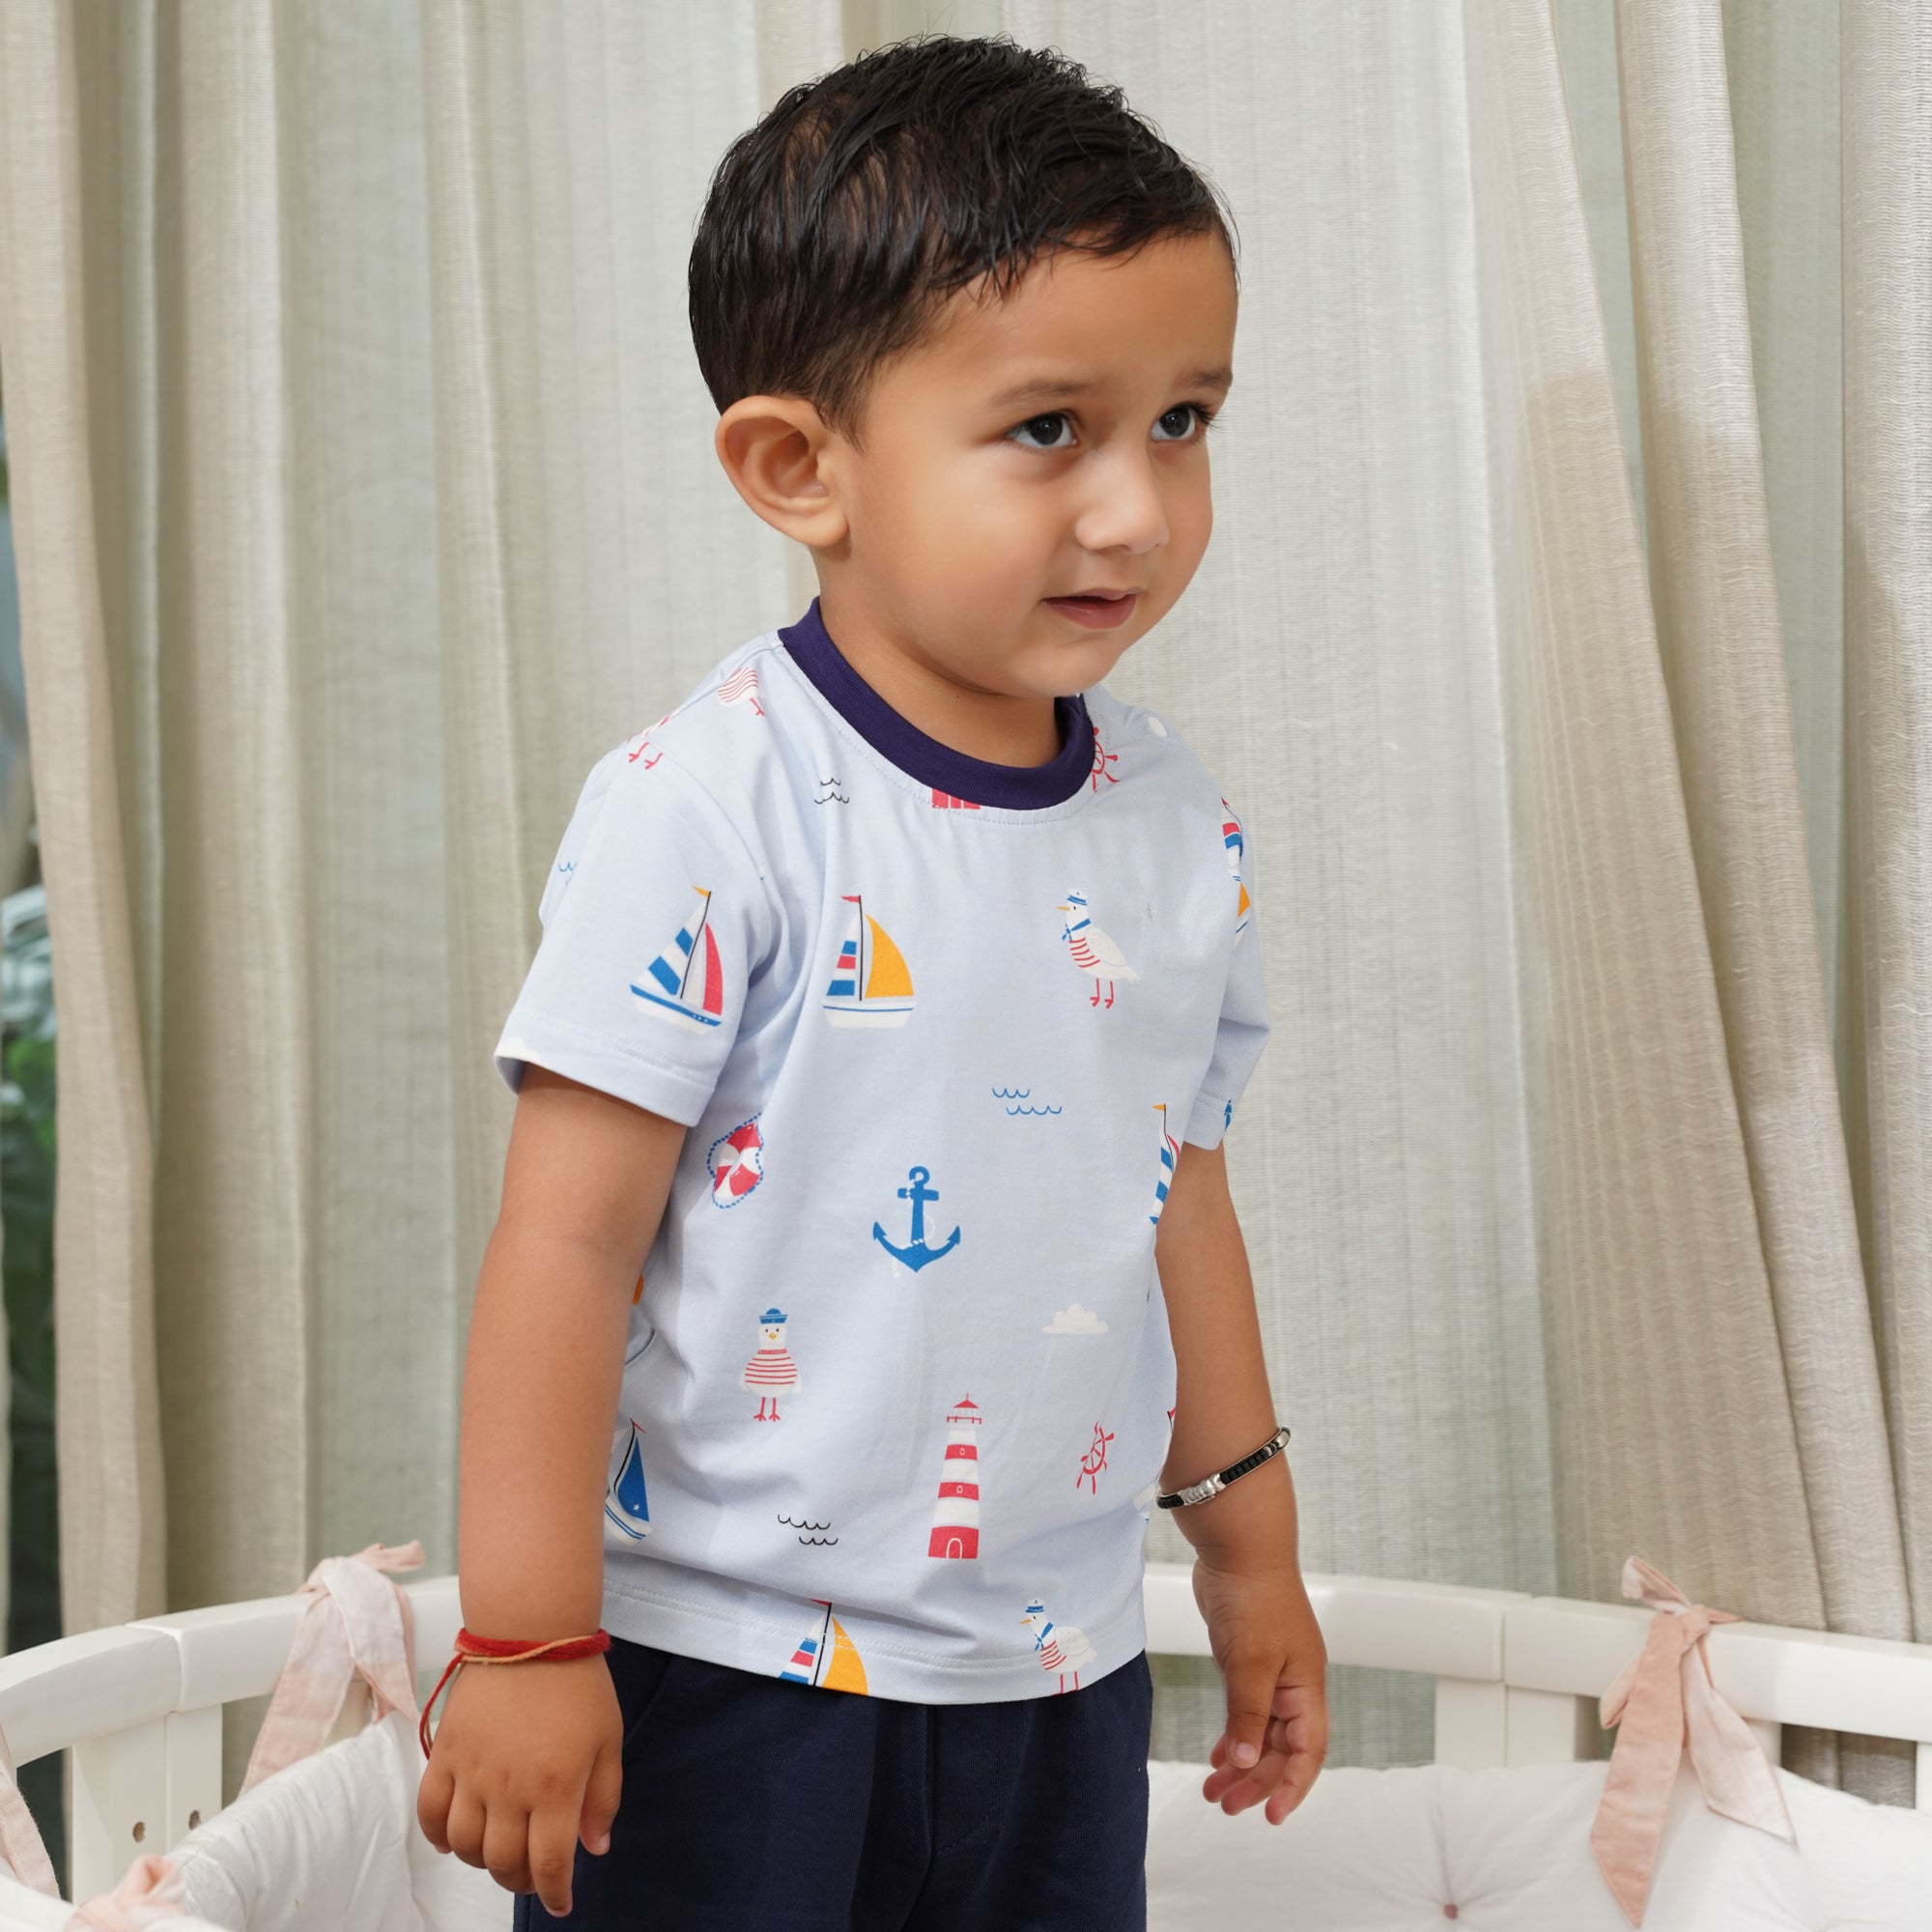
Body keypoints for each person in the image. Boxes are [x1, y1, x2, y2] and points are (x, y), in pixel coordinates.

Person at [416, 33, 1329, 1930]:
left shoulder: (1173, 823)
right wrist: (520, 1640)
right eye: (1047, 429)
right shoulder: (710, 806)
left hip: (1058, 1668)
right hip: (732, 1674)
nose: (1137, 510)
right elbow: (567, 1246)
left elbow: (1178, 1187)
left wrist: (1247, 1547)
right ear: (795, 466)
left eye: (1185, 420)